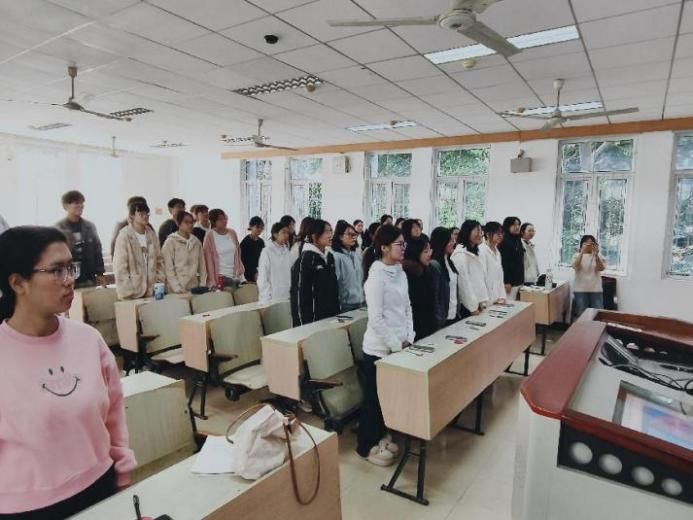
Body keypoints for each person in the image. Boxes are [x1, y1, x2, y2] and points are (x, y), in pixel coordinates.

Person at [0, 226, 135, 518]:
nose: (70, 279)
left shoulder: (88, 340)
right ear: (18, 283)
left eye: (70, 268)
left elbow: (114, 414)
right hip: (26, 508)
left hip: (100, 487)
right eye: (56, 271)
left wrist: (122, 470)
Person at [357, 224, 413, 466]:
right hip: (378, 349)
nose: (403, 248)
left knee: (387, 398)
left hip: (400, 346)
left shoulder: (400, 273)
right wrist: (396, 343)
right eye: (399, 244)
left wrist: (409, 336)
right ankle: (365, 447)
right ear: (384, 248)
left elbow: (407, 308)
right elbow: (376, 319)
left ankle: (381, 437)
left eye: (403, 244)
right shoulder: (376, 276)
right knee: (373, 400)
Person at [290, 219, 339, 326]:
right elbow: (299, 298)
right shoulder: (306, 260)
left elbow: (333, 289)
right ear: (314, 235)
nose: (330, 235)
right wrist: (303, 326)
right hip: (312, 322)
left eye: (331, 231)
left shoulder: (329, 257)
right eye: (326, 232)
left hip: (330, 319)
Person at [113, 202, 164, 300]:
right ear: (132, 216)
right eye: (141, 214)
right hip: (132, 291)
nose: (145, 216)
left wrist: (159, 281)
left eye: (147, 213)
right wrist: (128, 290)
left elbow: (159, 261)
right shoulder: (124, 236)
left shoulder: (151, 234)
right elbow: (120, 266)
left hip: (152, 290)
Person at [55, 190, 105, 289]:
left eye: (81, 202)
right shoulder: (58, 229)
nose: (80, 205)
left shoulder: (90, 227)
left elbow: (97, 250)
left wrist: (100, 273)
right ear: (66, 206)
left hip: (89, 278)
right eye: (76, 203)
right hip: (67, 279)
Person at [161, 211, 206, 294]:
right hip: (175, 289)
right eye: (186, 222)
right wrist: (177, 288)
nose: (190, 225)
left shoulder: (196, 242)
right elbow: (168, 268)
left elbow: (202, 266)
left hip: (194, 287)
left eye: (191, 222)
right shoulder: (170, 242)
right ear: (178, 223)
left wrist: (202, 285)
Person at [402, 235, 437, 340]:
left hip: (428, 326)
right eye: (425, 252)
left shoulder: (426, 270)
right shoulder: (408, 275)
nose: (429, 254)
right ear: (415, 253)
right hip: (413, 329)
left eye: (429, 250)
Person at [451, 220, 487, 315]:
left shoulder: (475, 252)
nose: (480, 234)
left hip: (478, 303)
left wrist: (482, 301)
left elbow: (479, 280)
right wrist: (472, 307)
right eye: (477, 231)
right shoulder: (460, 255)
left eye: (481, 231)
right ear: (467, 232)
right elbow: (464, 284)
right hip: (467, 307)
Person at [203, 209, 244, 289]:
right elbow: (208, 260)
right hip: (220, 277)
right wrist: (213, 281)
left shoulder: (232, 233)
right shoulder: (210, 236)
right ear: (214, 221)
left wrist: (239, 271)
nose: (224, 221)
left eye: (225, 218)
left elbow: (238, 253)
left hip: (235, 274)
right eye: (220, 219)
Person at [331, 221, 364, 312]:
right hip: (345, 305)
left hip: (360, 301)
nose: (353, 237)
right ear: (340, 236)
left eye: (354, 234)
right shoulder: (337, 257)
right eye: (350, 234)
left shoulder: (355, 254)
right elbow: (336, 283)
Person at [430, 227, 459, 327]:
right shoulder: (434, 265)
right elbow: (435, 297)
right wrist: (439, 318)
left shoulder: (450, 261)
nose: (454, 242)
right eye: (450, 240)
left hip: (453, 314)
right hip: (442, 320)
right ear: (441, 242)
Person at [257, 222, 293, 303]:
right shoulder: (267, 252)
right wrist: (266, 297)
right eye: (283, 232)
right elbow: (263, 277)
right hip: (271, 297)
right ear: (275, 234)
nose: (287, 235)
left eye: (287, 233)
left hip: (286, 295)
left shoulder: (287, 252)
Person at [572, 235, 605, 317]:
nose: (588, 245)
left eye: (591, 243)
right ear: (581, 245)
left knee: (598, 315)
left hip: (596, 289)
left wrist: (596, 255)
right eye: (586, 243)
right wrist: (582, 252)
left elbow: (601, 268)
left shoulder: (599, 255)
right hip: (580, 290)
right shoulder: (576, 255)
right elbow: (575, 266)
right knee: (581, 315)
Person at [479, 221, 507, 304]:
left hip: (497, 297)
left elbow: (500, 276)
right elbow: (481, 277)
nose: (501, 236)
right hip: (486, 298)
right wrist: (484, 300)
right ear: (488, 234)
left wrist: (502, 296)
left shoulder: (497, 252)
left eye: (502, 233)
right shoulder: (481, 250)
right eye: (498, 233)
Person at [498, 216, 525, 299]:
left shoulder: (518, 240)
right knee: (510, 304)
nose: (517, 227)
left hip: (519, 280)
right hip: (509, 283)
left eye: (518, 224)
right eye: (514, 225)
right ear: (507, 226)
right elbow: (503, 263)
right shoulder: (503, 241)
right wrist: (506, 281)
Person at [240, 217, 265, 283]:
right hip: (249, 272)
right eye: (257, 227)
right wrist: (255, 273)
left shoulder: (261, 242)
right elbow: (242, 261)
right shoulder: (245, 242)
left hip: (259, 270)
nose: (260, 229)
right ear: (251, 227)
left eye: (261, 227)